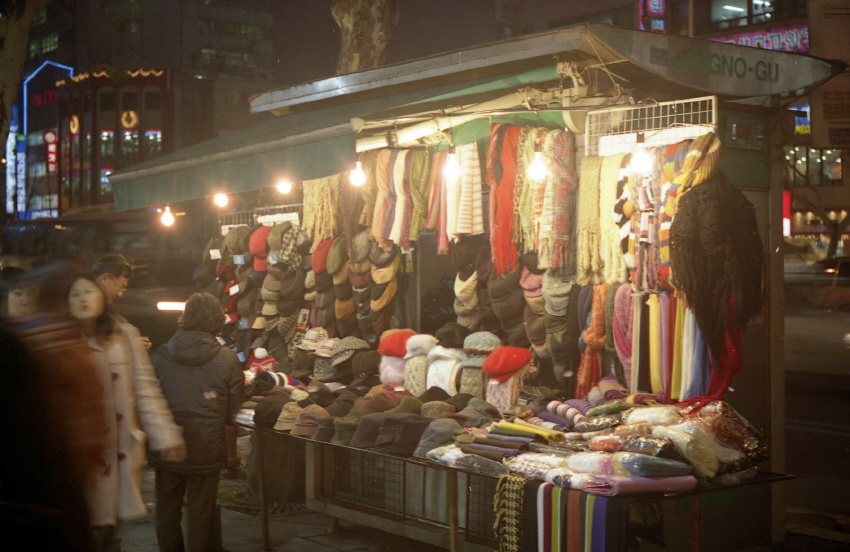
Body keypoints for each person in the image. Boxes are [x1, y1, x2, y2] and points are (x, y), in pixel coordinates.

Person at [68, 273, 186, 552]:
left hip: (116, 451)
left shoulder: (124, 334)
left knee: (110, 532)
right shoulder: (62, 340)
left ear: (101, 296)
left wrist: (166, 436)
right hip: (79, 455)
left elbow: (146, 389)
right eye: (75, 294)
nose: (83, 299)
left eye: (88, 292)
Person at [150, 292, 244, 552]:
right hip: (207, 444)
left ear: (186, 317)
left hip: (168, 441)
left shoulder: (161, 354)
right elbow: (233, 409)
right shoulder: (227, 358)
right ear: (217, 320)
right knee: (201, 511)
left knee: (167, 507)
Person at [92, 252, 153, 349]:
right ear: (105, 279)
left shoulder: (105, 310)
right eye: (120, 287)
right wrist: (129, 345)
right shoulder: (86, 306)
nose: (120, 294)